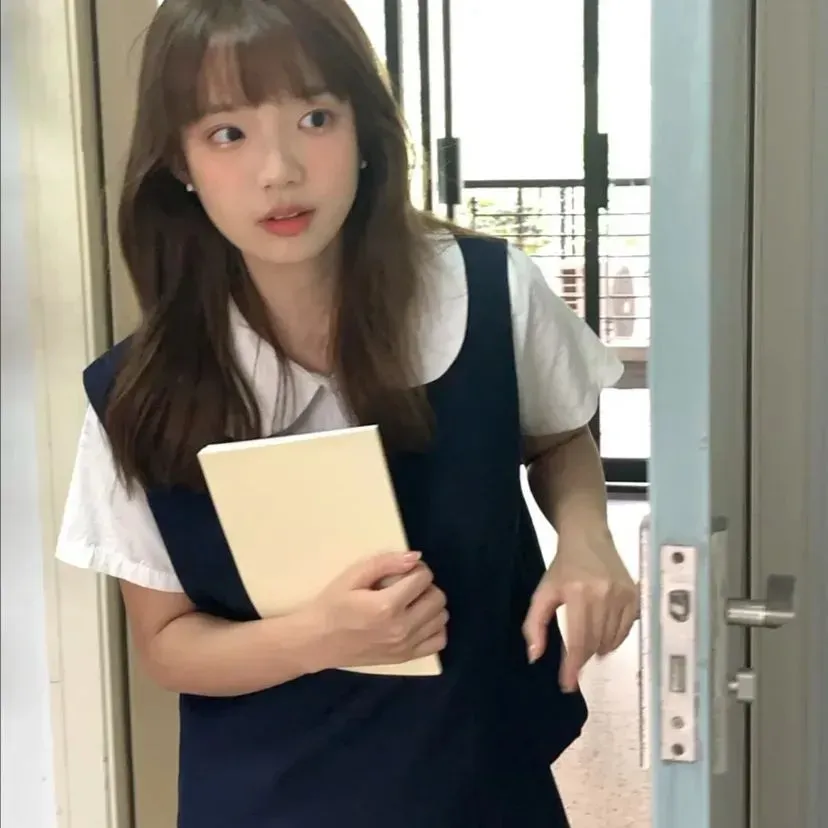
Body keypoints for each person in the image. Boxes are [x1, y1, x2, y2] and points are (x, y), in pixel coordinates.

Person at [56, 1, 639, 825]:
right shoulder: (135, 392)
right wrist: (320, 636)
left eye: (315, 118)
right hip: (267, 803)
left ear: (365, 128)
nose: (279, 171)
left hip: (482, 787)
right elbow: (166, 643)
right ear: (180, 162)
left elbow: (557, 438)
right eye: (228, 133)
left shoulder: (485, 295)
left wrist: (586, 536)